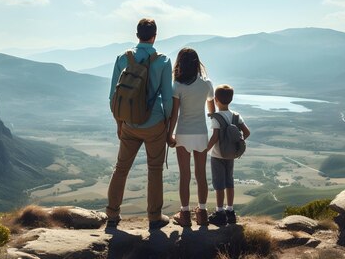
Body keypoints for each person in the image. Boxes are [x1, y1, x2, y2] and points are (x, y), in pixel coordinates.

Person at [106, 18, 173, 230]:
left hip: (129, 123)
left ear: (137, 35)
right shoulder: (162, 61)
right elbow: (168, 98)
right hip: (154, 124)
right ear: (155, 36)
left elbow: (112, 97)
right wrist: (168, 125)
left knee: (121, 169)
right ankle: (154, 218)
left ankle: (112, 215)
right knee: (154, 170)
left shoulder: (122, 58)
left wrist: (120, 123)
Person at [167, 48, 215, 227]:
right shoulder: (206, 84)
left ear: (180, 64)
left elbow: (175, 114)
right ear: (197, 63)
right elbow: (211, 109)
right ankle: (202, 213)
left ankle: (185, 214)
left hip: (183, 133)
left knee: (184, 175)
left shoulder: (177, 85)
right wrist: (212, 120)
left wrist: (169, 134)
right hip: (201, 133)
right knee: (201, 175)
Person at [206, 84, 250, 226]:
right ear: (230, 99)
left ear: (216, 100)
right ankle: (230, 211)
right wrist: (236, 143)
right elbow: (247, 132)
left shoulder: (216, 118)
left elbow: (214, 138)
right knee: (229, 182)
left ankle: (220, 213)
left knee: (219, 184)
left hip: (218, 156)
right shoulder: (236, 116)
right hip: (231, 155)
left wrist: (205, 150)